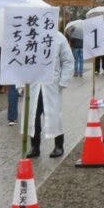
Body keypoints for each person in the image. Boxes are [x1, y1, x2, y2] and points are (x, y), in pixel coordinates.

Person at [22, 30, 75, 159]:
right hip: (33, 84)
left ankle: (59, 145)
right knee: (33, 116)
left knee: (53, 115)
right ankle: (35, 147)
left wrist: (63, 81)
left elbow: (68, 60)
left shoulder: (58, 37)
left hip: (51, 85)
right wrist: (21, 84)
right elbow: (20, 61)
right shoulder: (29, 36)